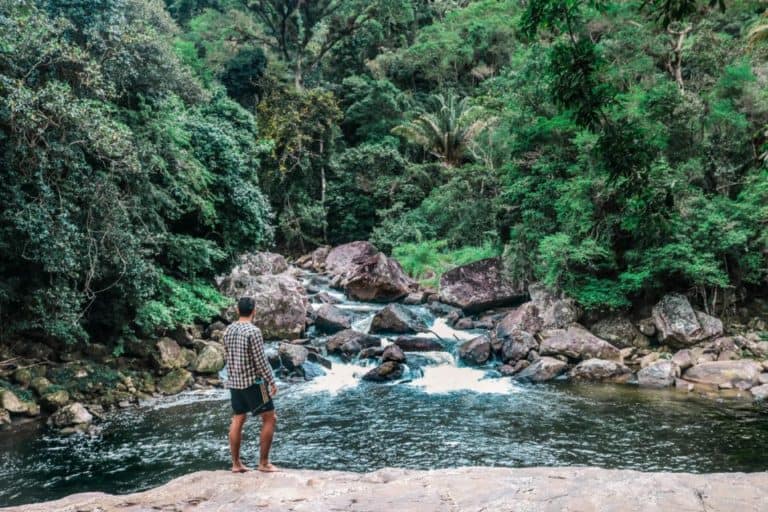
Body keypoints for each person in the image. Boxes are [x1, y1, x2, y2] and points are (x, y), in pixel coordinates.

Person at [222, 296, 279, 473]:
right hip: (254, 383)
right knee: (270, 418)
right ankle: (263, 463)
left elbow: (227, 355)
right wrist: (271, 381)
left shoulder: (228, 330)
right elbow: (261, 361)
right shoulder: (254, 331)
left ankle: (236, 464)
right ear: (254, 311)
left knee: (238, 419)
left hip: (234, 382)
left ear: (238, 310)